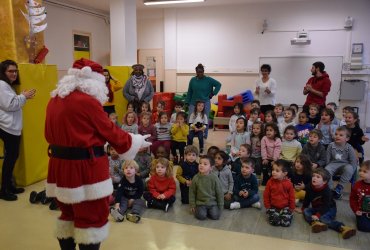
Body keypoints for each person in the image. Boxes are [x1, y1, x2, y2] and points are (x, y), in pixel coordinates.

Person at [45, 58, 151, 250]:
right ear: (93, 81)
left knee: (68, 214)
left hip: (59, 166)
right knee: (91, 218)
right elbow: (110, 131)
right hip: (85, 168)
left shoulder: (54, 99)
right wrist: (135, 141)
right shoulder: (87, 102)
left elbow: (48, 133)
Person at [0, 59, 36, 201]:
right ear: (3, 72)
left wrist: (21, 97)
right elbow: (10, 105)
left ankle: (9, 186)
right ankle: (4, 190)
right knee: (10, 159)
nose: (14, 73)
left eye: (15, 71)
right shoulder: (2, 85)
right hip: (7, 127)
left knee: (12, 157)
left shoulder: (6, 85)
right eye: (10, 71)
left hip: (11, 127)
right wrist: (23, 96)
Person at [298, 168, 356, 239]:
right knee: (306, 211)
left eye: (318, 177)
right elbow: (307, 198)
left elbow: (326, 206)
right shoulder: (310, 186)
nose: (314, 178)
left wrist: (318, 215)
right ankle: (316, 223)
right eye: (313, 176)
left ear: (324, 181)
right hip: (317, 208)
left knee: (323, 218)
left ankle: (343, 228)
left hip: (329, 208)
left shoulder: (327, 192)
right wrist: (303, 208)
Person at [185, 63, 221, 139]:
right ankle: (191, 134)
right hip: (193, 102)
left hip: (205, 102)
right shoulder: (192, 80)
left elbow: (218, 84)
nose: (200, 74)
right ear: (196, 72)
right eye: (198, 72)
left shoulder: (208, 79)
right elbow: (189, 92)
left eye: (201, 72)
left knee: (205, 119)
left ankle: (204, 135)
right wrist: (187, 102)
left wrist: (213, 93)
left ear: (203, 71)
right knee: (190, 118)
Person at [325, 126, 357, 200]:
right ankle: (330, 189)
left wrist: (350, 172)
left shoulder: (349, 147)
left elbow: (353, 162)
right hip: (333, 164)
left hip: (344, 165)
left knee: (350, 168)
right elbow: (328, 158)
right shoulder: (331, 145)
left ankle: (339, 188)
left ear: (347, 138)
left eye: (341, 135)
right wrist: (327, 167)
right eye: (336, 134)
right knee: (326, 169)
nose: (337, 136)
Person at [189, 155, 224, 220]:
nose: (201, 165)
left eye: (205, 164)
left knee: (215, 216)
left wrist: (220, 206)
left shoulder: (214, 178)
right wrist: (192, 205)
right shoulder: (196, 178)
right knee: (201, 216)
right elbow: (192, 192)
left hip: (212, 203)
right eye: (200, 163)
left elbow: (219, 192)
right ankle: (203, 211)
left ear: (211, 167)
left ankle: (209, 211)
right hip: (200, 203)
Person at [263, 159, 295, 227]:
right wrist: (268, 206)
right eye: (273, 170)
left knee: (285, 223)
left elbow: (292, 197)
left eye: (277, 171)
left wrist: (291, 208)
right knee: (275, 222)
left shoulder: (289, 183)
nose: (273, 172)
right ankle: (278, 215)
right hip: (273, 206)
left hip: (285, 207)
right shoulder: (270, 182)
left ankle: (286, 215)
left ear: (285, 173)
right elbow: (266, 195)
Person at [350, 160, 370, 232]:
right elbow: (353, 199)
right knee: (362, 227)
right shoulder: (357, 185)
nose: (361, 173)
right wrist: (356, 210)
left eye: (365, 172)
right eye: (360, 170)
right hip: (362, 212)